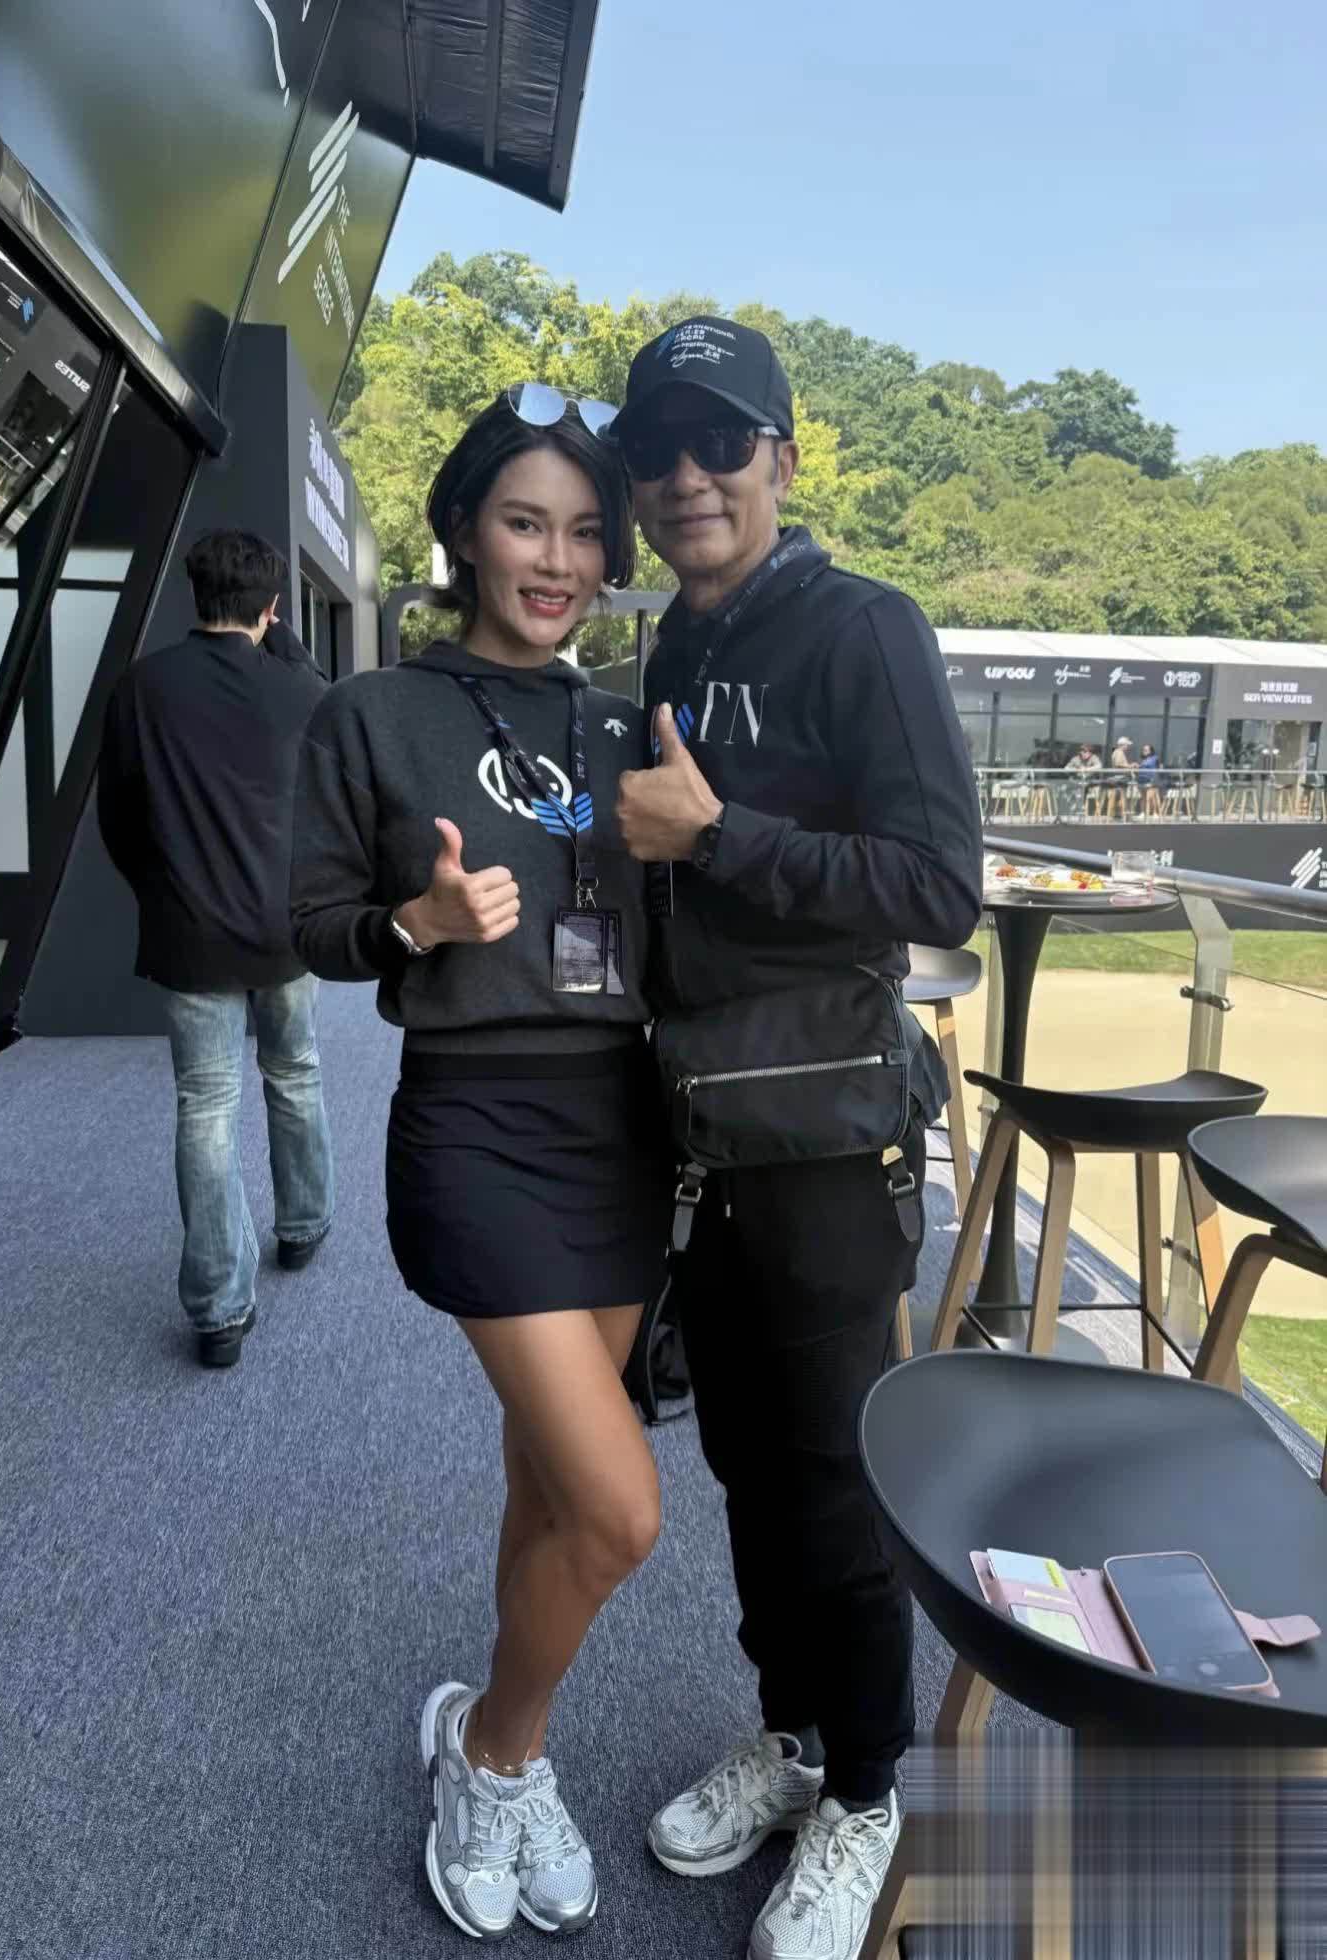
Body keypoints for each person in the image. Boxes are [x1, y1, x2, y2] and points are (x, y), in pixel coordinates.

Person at [611, 318, 982, 1960]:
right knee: (747, 1469)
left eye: (721, 443)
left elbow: (937, 885)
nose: (687, 478)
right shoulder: (673, 653)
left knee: (833, 1478)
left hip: (832, 1135)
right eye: (658, 451)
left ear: (783, 455)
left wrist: (719, 836)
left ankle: (869, 1794)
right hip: (700, 1131)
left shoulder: (863, 628)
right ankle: (793, 1738)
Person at [287, 384, 670, 1942]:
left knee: (548, 1486)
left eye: (583, 532)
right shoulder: (373, 714)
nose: (556, 560)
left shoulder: (628, 720)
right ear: (462, 529)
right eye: (525, 522)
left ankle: (511, 1733)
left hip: (623, 1130)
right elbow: (309, 926)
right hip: (475, 1125)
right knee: (623, 1512)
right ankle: (496, 1753)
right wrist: (416, 923)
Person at [97, 530, 334, 1369]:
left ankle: (219, 1311)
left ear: (194, 596)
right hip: (286, 928)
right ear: (272, 607)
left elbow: (119, 817)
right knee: (294, 1071)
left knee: (205, 1104)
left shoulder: (143, 686)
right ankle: (302, 1225)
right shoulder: (301, 690)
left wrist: (162, 890)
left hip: (190, 929)